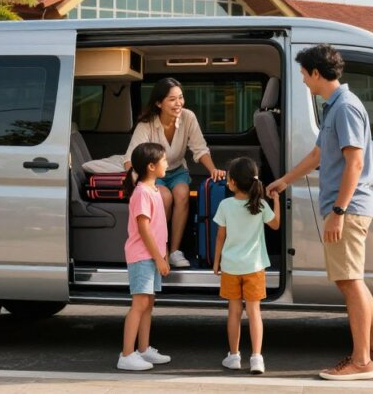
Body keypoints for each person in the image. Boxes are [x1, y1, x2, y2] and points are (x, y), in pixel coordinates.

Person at [265, 44, 373, 381]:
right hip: (345, 208)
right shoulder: (333, 107)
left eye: (304, 75)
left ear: (317, 74)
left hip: (347, 209)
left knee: (349, 282)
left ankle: (362, 361)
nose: (304, 81)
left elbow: (355, 162)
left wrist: (338, 210)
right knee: (352, 280)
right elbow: (317, 154)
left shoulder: (345, 108)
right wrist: (284, 180)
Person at [125, 77, 225, 268]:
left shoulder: (188, 117)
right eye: (172, 99)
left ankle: (175, 251)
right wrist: (139, 185)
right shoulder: (146, 124)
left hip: (178, 169)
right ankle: (160, 248)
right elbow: (131, 159)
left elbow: (200, 149)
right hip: (154, 174)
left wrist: (213, 170)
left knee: (182, 193)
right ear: (158, 103)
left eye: (181, 98)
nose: (178, 103)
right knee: (164, 197)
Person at [212, 157, 281, 375]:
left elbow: (220, 237)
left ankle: (233, 356)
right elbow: (276, 225)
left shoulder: (225, 205)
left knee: (234, 312)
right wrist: (276, 200)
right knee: (254, 312)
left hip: (231, 266)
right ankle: (256, 358)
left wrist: (216, 262)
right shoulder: (260, 204)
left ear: (231, 182)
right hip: (254, 266)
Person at [117, 142, 173, 371]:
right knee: (139, 304)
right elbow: (144, 229)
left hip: (152, 255)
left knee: (149, 303)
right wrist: (158, 258)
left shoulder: (154, 190)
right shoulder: (142, 192)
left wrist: (164, 254)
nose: (167, 163)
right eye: (164, 160)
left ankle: (143, 349)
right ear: (151, 166)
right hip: (142, 256)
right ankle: (127, 354)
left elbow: (160, 229)